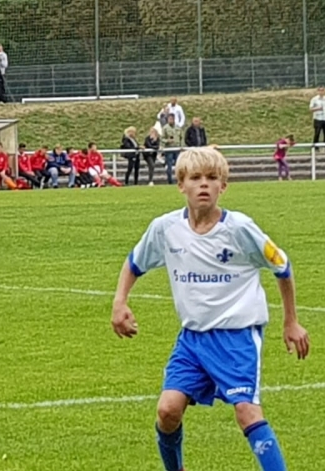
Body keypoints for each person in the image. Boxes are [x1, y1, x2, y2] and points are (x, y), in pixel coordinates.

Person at [111, 147, 310, 471]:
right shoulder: (165, 228)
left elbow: (282, 267)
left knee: (247, 412)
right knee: (167, 411)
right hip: (192, 339)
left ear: (223, 186)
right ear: (181, 185)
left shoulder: (240, 229)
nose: (204, 184)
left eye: (212, 178)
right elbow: (134, 263)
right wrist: (120, 302)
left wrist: (291, 321)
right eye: (195, 177)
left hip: (237, 338)